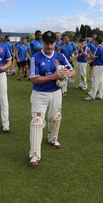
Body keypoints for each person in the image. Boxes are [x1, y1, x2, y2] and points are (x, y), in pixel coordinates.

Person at [28, 31, 75, 167]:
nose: (49, 46)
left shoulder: (60, 56)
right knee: (37, 121)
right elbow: (34, 79)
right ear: (43, 42)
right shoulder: (35, 58)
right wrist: (53, 77)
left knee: (56, 117)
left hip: (56, 93)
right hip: (40, 94)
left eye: (52, 43)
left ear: (55, 42)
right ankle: (35, 154)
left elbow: (72, 71)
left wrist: (66, 73)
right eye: (47, 43)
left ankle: (52, 138)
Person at [85, 35, 103, 101]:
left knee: (95, 81)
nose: (93, 41)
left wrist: (89, 52)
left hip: (98, 66)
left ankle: (92, 96)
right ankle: (100, 95)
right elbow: (96, 57)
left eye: (94, 40)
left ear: (96, 41)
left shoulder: (98, 48)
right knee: (100, 81)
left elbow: (93, 57)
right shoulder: (101, 47)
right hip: (101, 66)